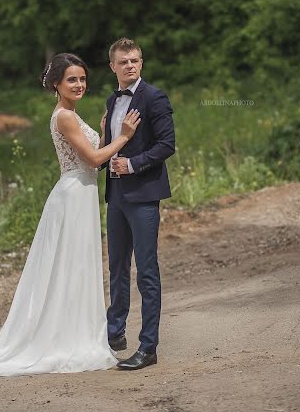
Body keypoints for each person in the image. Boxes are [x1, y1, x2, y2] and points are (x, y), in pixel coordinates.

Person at [0, 53, 140, 378]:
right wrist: (124, 137)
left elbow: (96, 157)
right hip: (73, 195)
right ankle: (64, 338)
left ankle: (73, 331)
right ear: (56, 84)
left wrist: (105, 133)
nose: (79, 84)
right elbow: (92, 161)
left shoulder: (72, 115)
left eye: (82, 79)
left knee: (76, 266)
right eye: (71, 79)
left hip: (82, 194)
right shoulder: (64, 116)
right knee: (70, 266)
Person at [103, 38, 175, 371]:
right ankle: (114, 333)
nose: (131, 65)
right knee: (116, 268)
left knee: (146, 273)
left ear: (141, 63)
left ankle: (149, 347)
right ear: (113, 67)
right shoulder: (110, 100)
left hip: (144, 196)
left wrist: (132, 165)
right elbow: (110, 147)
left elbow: (166, 145)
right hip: (115, 196)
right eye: (124, 61)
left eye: (135, 60)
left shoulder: (154, 97)